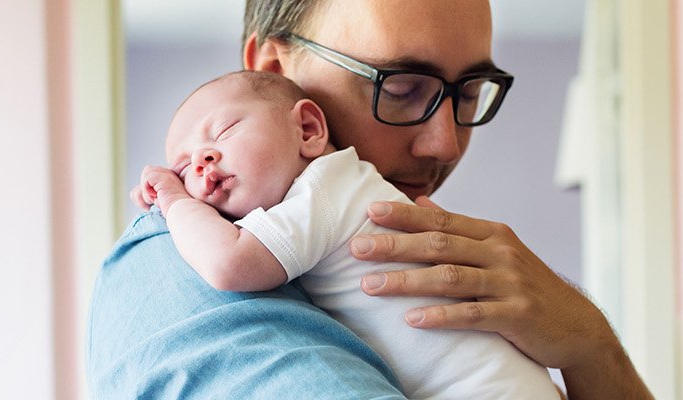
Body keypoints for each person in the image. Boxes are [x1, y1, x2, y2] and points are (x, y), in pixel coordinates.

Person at [88, 0, 653, 398]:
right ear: (273, 70)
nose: (446, 143)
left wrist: (592, 347)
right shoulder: (172, 263)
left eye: (469, 95)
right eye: (402, 89)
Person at [133, 70, 558, 398]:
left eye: (223, 132)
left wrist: (174, 200)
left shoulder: (324, 188)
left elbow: (229, 263)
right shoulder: (339, 188)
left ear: (308, 130)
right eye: (185, 168)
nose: (203, 160)